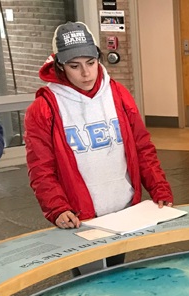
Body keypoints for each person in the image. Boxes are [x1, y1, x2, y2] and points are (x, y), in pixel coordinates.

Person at [24, 22, 173, 236]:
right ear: (59, 66)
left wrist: (159, 187)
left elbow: (142, 147)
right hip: (79, 216)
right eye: (74, 66)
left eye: (91, 62)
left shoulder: (118, 94)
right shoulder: (44, 108)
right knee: (91, 269)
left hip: (125, 208)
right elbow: (41, 168)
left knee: (120, 267)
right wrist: (57, 208)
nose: (86, 73)